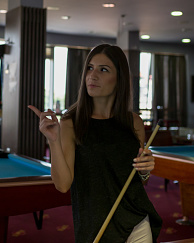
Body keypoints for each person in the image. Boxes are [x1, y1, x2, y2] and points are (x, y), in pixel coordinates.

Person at [29, 44, 162, 243]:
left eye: (103, 69)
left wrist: (145, 169)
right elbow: (63, 185)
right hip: (95, 225)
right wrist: (53, 141)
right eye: (90, 68)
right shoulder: (70, 122)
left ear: (119, 79)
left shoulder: (134, 122)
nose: (92, 75)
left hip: (137, 221)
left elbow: (139, 180)